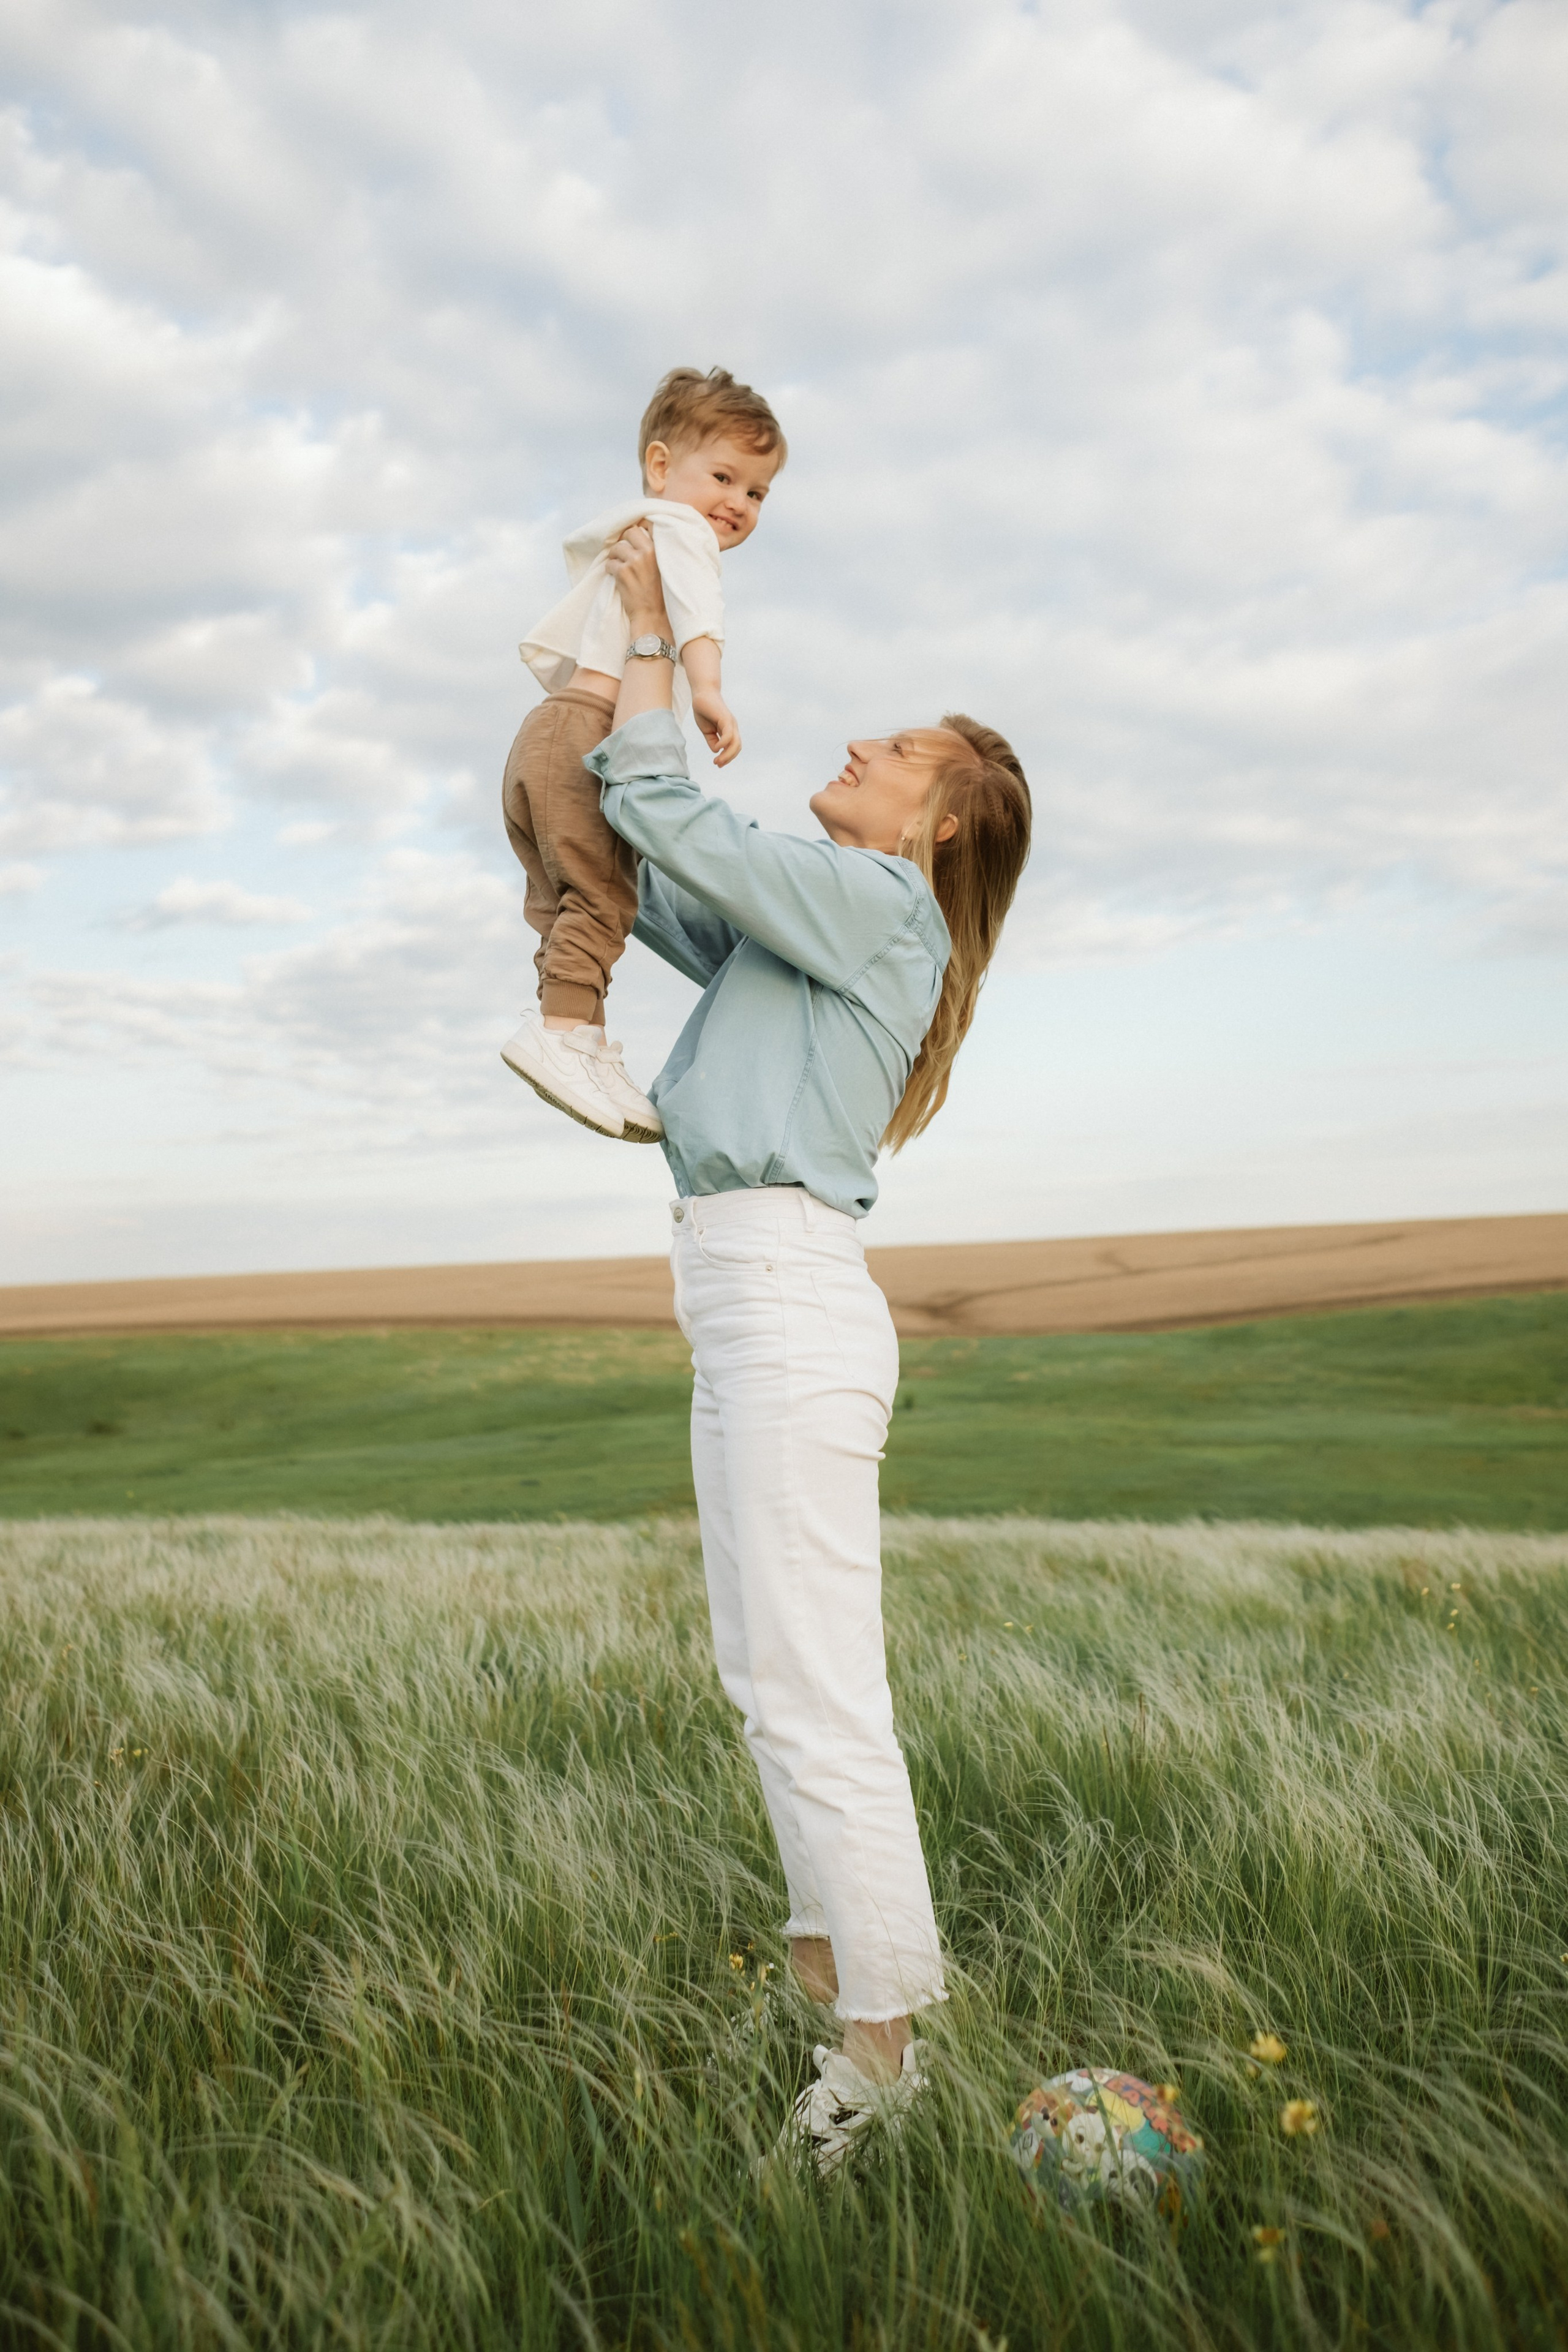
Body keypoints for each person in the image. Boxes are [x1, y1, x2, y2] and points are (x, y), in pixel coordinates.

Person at [586, 522, 1032, 2176]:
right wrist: (571, 800)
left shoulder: (874, 902)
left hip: (780, 1296)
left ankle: (881, 2059)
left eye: (896, 748)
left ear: (940, 818)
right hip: (748, 1296)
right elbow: (658, 881)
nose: (858, 746)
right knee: (772, 1680)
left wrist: (653, 620)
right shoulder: (833, 922)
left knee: (815, 1698)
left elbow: (670, 817)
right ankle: (853, 1990)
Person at [499, 366, 786, 1144]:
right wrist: (709, 690)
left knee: (562, 901)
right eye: (723, 476)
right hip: (588, 732)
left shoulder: (628, 531)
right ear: (661, 467)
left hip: (542, 732)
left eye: (757, 492)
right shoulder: (680, 532)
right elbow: (698, 615)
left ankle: (582, 1041)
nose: (738, 503)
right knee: (604, 894)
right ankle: (560, 1035)